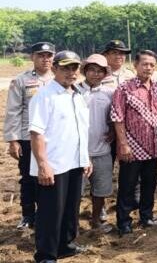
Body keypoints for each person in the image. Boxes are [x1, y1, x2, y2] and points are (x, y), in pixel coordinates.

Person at [29, 50, 91, 262]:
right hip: (53, 165)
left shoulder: (77, 95)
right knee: (50, 212)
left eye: (74, 68)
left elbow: (80, 130)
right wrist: (43, 164)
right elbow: (36, 133)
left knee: (70, 208)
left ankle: (66, 245)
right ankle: (46, 254)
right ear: (54, 68)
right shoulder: (44, 96)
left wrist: (86, 158)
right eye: (65, 68)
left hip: (74, 162)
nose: (70, 72)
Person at [110, 50, 157, 235]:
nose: (148, 68)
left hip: (153, 147)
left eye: (151, 65)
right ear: (136, 65)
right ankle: (124, 222)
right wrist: (123, 143)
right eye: (144, 64)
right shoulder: (124, 88)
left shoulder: (156, 87)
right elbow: (117, 117)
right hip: (131, 148)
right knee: (127, 185)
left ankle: (146, 216)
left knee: (150, 184)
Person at [4, 41, 55, 230]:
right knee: (27, 178)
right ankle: (27, 215)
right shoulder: (21, 80)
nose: (45, 59)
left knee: (50, 176)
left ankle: (46, 212)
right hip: (27, 138)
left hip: (52, 138)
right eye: (41, 55)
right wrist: (13, 140)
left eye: (49, 56)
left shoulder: (59, 79)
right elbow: (13, 111)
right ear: (32, 57)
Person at [76, 54, 115, 234]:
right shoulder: (74, 91)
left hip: (102, 150)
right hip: (77, 153)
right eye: (92, 70)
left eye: (100, 71)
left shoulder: (110, 93)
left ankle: (95, 220)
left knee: (101, 189)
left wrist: (113, 131)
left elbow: (115, 118)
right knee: (75, 191)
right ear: (85, 71)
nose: (96, 74)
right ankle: (72, 222)